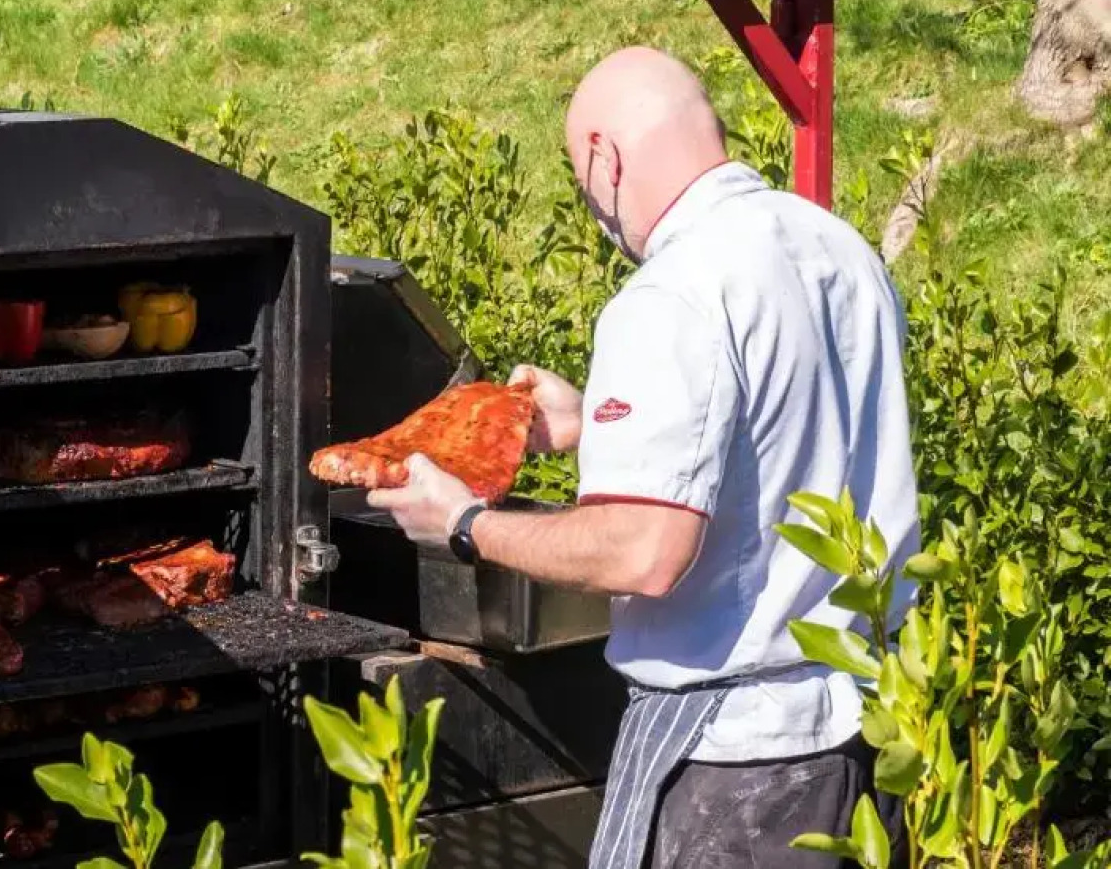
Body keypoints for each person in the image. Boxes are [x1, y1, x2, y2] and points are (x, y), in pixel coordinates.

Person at [367, 46, 918, 868]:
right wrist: (597, 420)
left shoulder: (669, 292)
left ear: (604, 156)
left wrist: (465, 523)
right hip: (870, 740)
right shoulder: (837, 248)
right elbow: (793, 421)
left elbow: (644, 551)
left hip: (738, 771)